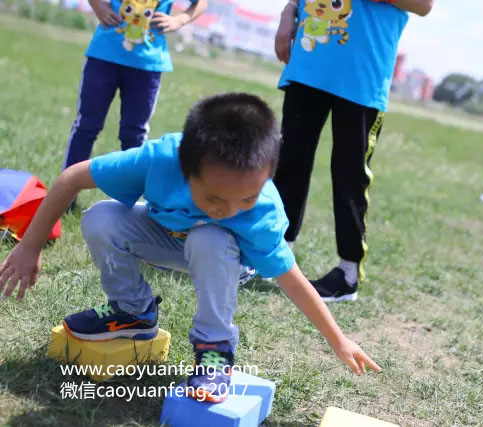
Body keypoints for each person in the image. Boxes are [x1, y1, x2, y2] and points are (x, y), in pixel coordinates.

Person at [0, 93, 381, 403]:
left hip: (228, 259)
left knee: (211, 235)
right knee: (101, 217)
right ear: (186, 167)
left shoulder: (261, 211)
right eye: (214, 197)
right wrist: (29, 247)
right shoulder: (159, 160)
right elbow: (70, 179)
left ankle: (215, 350)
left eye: (244, 199)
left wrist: (339, 340)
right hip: (168, 237)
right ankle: (133, 313)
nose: (229, 209)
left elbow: (292, 279)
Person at [273, 0, 433, 302]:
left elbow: (424, 5)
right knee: (290, 160)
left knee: (349, 173)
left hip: (362, 71)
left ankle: (347, 274)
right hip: (311, 57)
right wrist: (289, 10)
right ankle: (276, 257)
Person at [63, 0, 206, 199]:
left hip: (147, 66)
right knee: (87, 125)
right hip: (104, 56)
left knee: (134, 134)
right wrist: (98, 6)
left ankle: (126, 204)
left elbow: (201, 3)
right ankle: (64, 195)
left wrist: (179, 20)